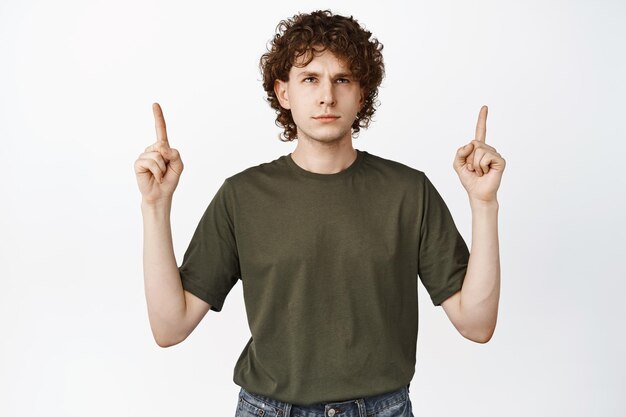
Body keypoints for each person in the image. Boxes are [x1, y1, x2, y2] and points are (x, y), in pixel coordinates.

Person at [134, 9, 505, 417]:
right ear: (284, 92)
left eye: (342, 79)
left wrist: (484, 205)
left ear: (361, 94)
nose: (327, 95)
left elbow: (477, 324)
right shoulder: (242, 196)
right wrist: (155, 207)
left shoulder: (408, 191)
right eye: (310, 78)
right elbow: (170, 327)